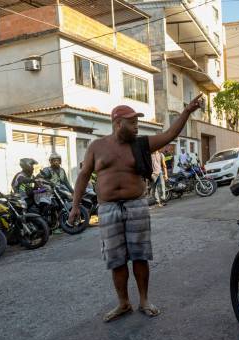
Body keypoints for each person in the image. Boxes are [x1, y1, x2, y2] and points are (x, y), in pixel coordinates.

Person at [69, 97, 203, 322]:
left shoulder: (141, 144)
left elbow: (170, 135)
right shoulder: (97, 147)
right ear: (118, 123)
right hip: (108, 209)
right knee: (117, 260)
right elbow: (83, 176)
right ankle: (123, 303)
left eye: (136, 122)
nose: (136, 126)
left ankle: (143, 300)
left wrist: (187, 111)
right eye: (131, 122)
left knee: (140, 257)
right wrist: (75, 207)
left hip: (136, 206)